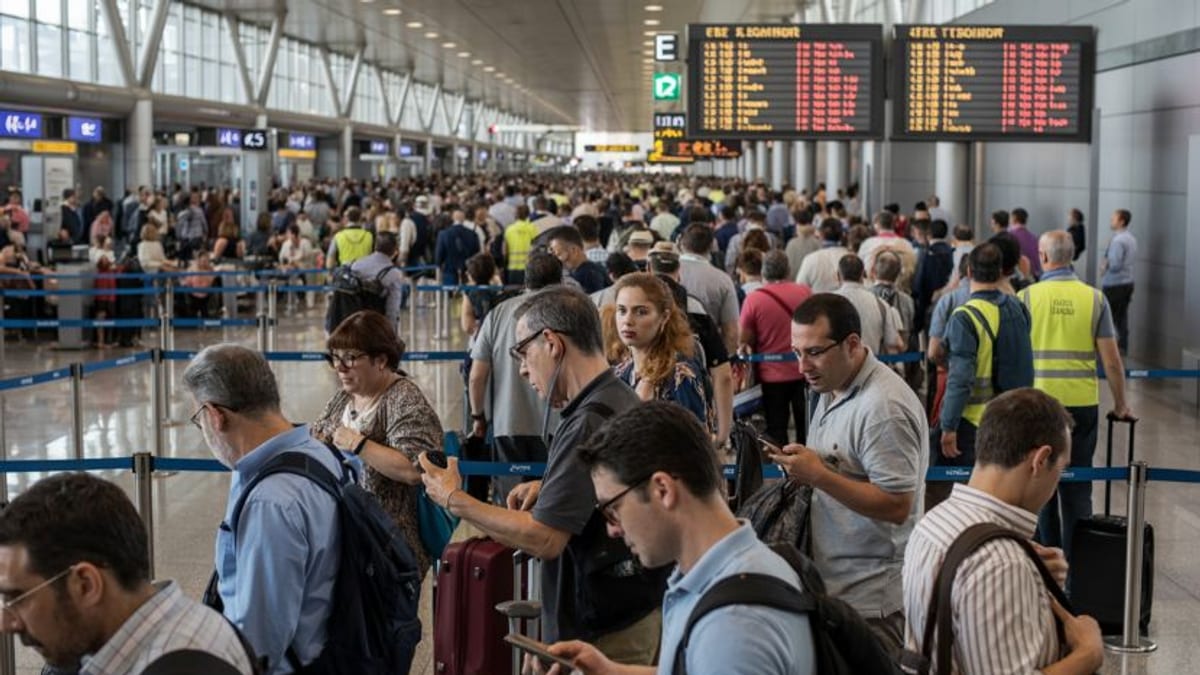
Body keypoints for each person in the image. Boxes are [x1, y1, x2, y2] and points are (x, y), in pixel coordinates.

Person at [421, 286, 664, 662]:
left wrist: (454, 499)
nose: (521, 368)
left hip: (604, 632)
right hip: (620, 613)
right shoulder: (614, 397)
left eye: (522, 352)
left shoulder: (588, 420)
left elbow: (544, 538)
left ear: (551, 343)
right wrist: (552, 486)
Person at [535, 401, 817, 675]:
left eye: (613, 509)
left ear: (662, 489)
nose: (613, 530)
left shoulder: (732, 624)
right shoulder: (731, 573)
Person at [903, 388, 1104, 675]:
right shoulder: (1000, 561)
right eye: (1061, 467)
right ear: (1040, 460)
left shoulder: (933, 522)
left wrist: (1031, 574)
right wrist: (1088, 653)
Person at [771, 293, 927, 654]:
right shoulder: (830, 387)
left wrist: (820, 476)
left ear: (852, 344)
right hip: (836, 587)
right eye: (796, 352)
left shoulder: (883, 409)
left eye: (814, 352)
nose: (802, 366)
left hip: (872, 601)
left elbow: (897, 504)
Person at [182, 344, 340, 674]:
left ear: (215, 416)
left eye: (199, 420)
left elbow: (258, 644)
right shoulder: (319, 452)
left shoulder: (271, 503)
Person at [0, 472, 254, 674]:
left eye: (18, 598)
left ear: (86, 585)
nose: (7, 623)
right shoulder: (192, 622)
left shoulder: (181, 663)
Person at [1024, 231, 1134, 563]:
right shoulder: (1094, 298)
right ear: (1071, 257)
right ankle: (1078, 566)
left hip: (1039, 405)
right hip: (1082, 405)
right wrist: (1121, 404)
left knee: (1041, 484)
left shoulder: (1026, 297)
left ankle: (1049, 561)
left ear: (1043, 257)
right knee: (1079, 485)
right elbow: (1111, 360)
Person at [310, 310, 442, 574]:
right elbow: (319, 433)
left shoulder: (404, 399)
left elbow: (416, 470)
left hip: (389, 550)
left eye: (350, 358)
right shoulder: (344, 397)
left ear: (381, 360)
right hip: (346, 542)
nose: (340, 367)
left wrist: (359, 444)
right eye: (335, 357)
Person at [938, 243, 1034, 493]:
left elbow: (960, 378)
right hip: (1015, 417)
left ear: (968, 272)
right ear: (1002, 271)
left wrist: (948, 426)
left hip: (977, 423)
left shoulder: (965, 316)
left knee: (972, 495)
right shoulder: (1018, 307)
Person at [467, 252, 563, 501]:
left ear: (525, 279)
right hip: (561, 424)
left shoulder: (499, 313)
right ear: (560, 280)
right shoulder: (571, 312)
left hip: (508, 422)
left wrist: (478, 417)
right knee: (554, 500)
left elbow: (477, 376)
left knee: (511, 503)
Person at [602, 273, 710, 428]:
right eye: (622, 310)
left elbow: (696, 445)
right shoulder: (620, 373)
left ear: (664, 317)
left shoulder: (681, 374)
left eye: (641, 312)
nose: (628, 320)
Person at [738, 250, 812, 445]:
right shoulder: (804, 292)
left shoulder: (754, 299)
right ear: (788, 270)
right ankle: (807, 469)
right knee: (807, 425)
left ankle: (782, 470)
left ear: (764, 272)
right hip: (804, 371)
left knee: (777, 429)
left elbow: (744, 339)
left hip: (771, 376)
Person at [678, 224, 739, 352]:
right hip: (708, 354)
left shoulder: (665, 273)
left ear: (682, 243)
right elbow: (731, 332)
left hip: (667, 353)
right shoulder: (722, 280)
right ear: (711, 246)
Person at [833, 254, 902, 356]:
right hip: (870, 366)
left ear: (838, 275)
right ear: (863, 275)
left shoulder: (826, 302)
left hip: (835, 367)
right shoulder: (881, 304)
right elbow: (893, 341)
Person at [345, 231, 406, 330]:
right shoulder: (394, 274)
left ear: (375, 246)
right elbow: (392, 309)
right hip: (375, 325)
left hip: (351, 323)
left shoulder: (356, 265)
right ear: (395, 250)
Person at [1101, 208, 1136, 354]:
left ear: (1121, 221)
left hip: (1115, 284)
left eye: (1114, 218)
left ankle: (1110, 351)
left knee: (1109, 319)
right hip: (1127, 282)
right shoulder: (1131, 238)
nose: (1111, 220)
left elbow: (1115, 264)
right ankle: (1122, 348)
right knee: (1122, 318)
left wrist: (1105, 265)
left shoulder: (1118, 240)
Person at [547, 226, 607, 294]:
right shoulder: (597, 268)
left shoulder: (586, 276)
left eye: (558, 255)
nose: (556, 260)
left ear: (573, 250)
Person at [795, 218, 847, 293]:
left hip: (818, 303)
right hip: (846, 303)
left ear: (821, 235)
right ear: (842, 235)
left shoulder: (811, 259)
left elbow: (800, 289)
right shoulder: (851, 257)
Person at [435, 208, 482, 284]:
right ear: (463, 219)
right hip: (468, 273)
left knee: (449, 295)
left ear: (452, 218)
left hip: (449, 272)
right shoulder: (473, 234)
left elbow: (439, 257)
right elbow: (477, 255)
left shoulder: (443, 234)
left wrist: (439, 266)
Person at [504, 204, 539, 286]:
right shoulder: (532, 228)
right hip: (528, 267)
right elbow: (536, 248)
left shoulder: (509, 229)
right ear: (528, 214)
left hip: (512, 268)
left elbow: (505, 251)